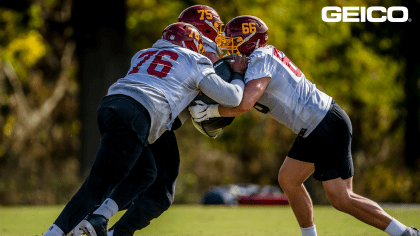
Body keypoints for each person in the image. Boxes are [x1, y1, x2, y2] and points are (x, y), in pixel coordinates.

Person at [189, 15, 420, 236]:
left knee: (342, 199)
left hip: (325, 123)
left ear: (250, 42)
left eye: (235, 42)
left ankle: (405, 233)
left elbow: (245, 103)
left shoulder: (260, 58)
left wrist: (210, 110)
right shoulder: (260, 57)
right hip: (313, 126)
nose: (231, 48)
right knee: (289, 179)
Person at [43, 21, 249, 236]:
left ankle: (99, 218)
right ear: (190, 45)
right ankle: (55, 233)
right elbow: (233, 97)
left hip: (110, 105)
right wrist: (237, 73)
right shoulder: (195, 59)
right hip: (138, 112)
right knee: (99, 183)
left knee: (146, 172)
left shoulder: (142, 54)